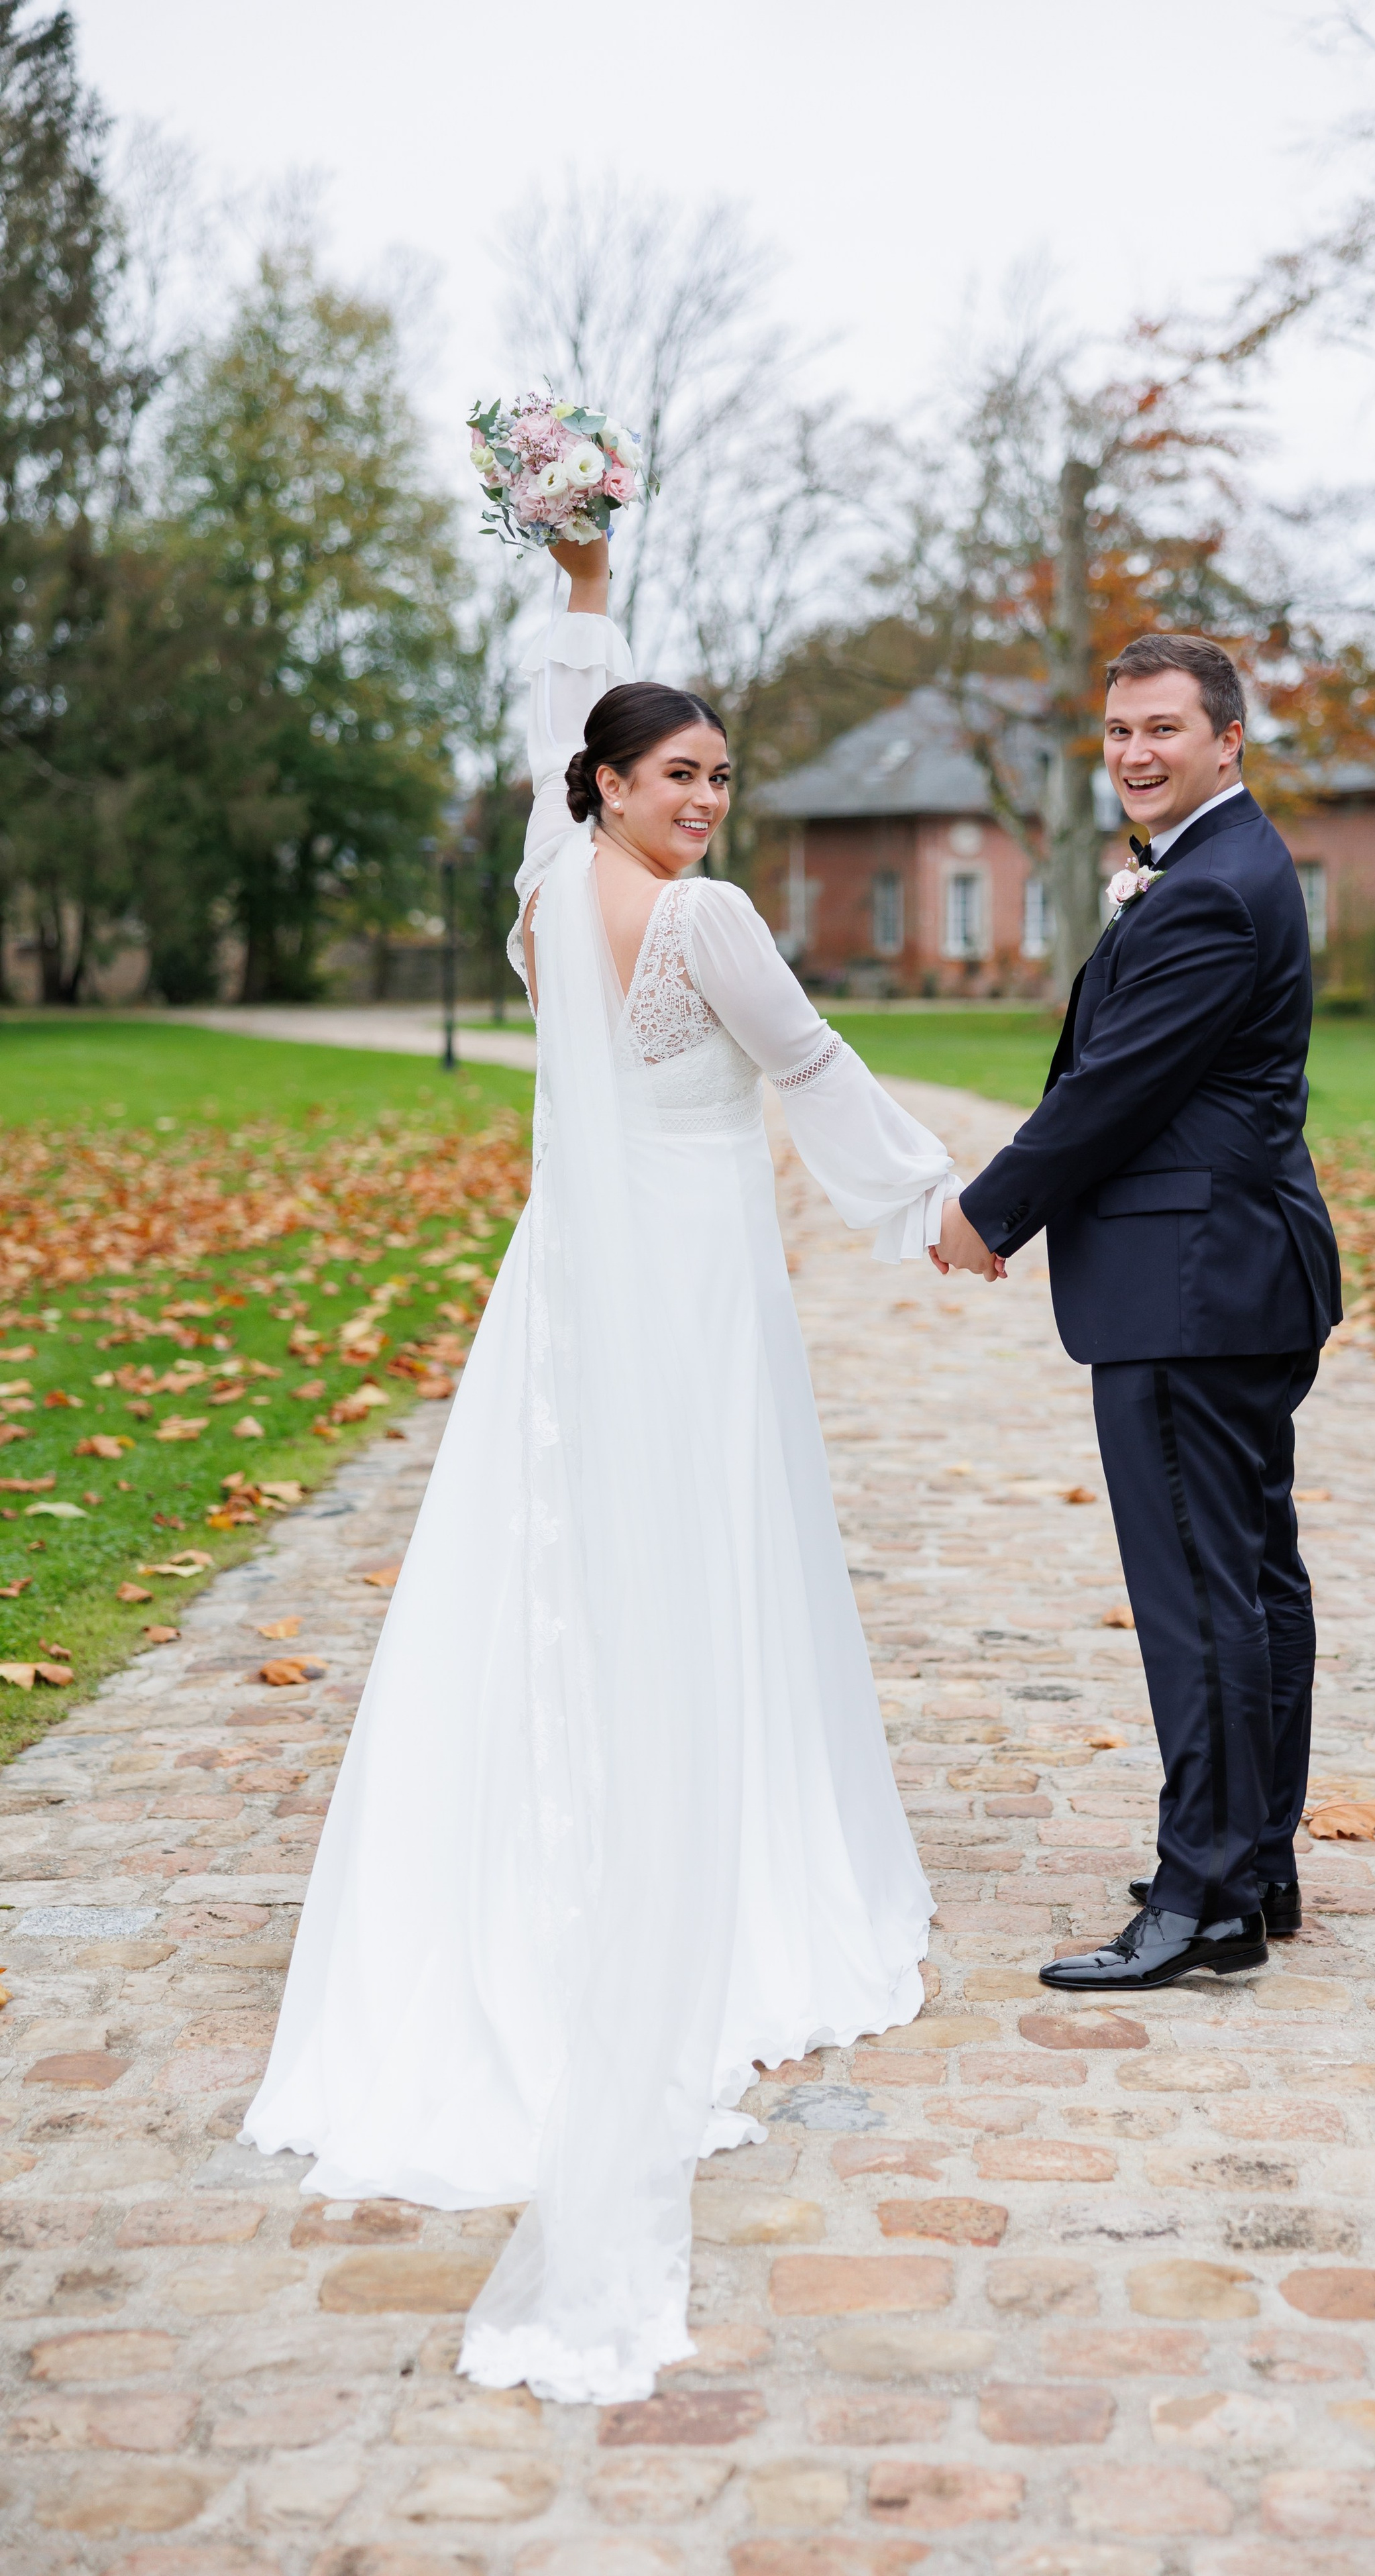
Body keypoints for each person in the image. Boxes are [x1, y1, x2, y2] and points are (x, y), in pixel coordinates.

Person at [243, 535, 965, 2403]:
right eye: (677, 777)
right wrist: (933, 1210)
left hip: (567, 1289)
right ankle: (702, 1872)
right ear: (612, 788)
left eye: (722, 777)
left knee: (545, 1560)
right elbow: (812, 1075)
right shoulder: (705, 924)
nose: (706, 802)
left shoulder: (550, 900)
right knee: (706, 1547)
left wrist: (581, 582)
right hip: (695, 1285)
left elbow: (555, 714)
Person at [937, 633, 1341, 1992]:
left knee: (1199, 1597)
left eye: (1162, 728)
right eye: (1117, 732)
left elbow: (1110, 1086)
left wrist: (987, 1212)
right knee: (1251, 1582)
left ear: (1227, 739)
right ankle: (1254, 1860)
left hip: (1192, 1289)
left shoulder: (1210, 892)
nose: (1134, 753)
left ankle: (1207, 1897)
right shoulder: (1221, 866)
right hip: (1228, 1276)